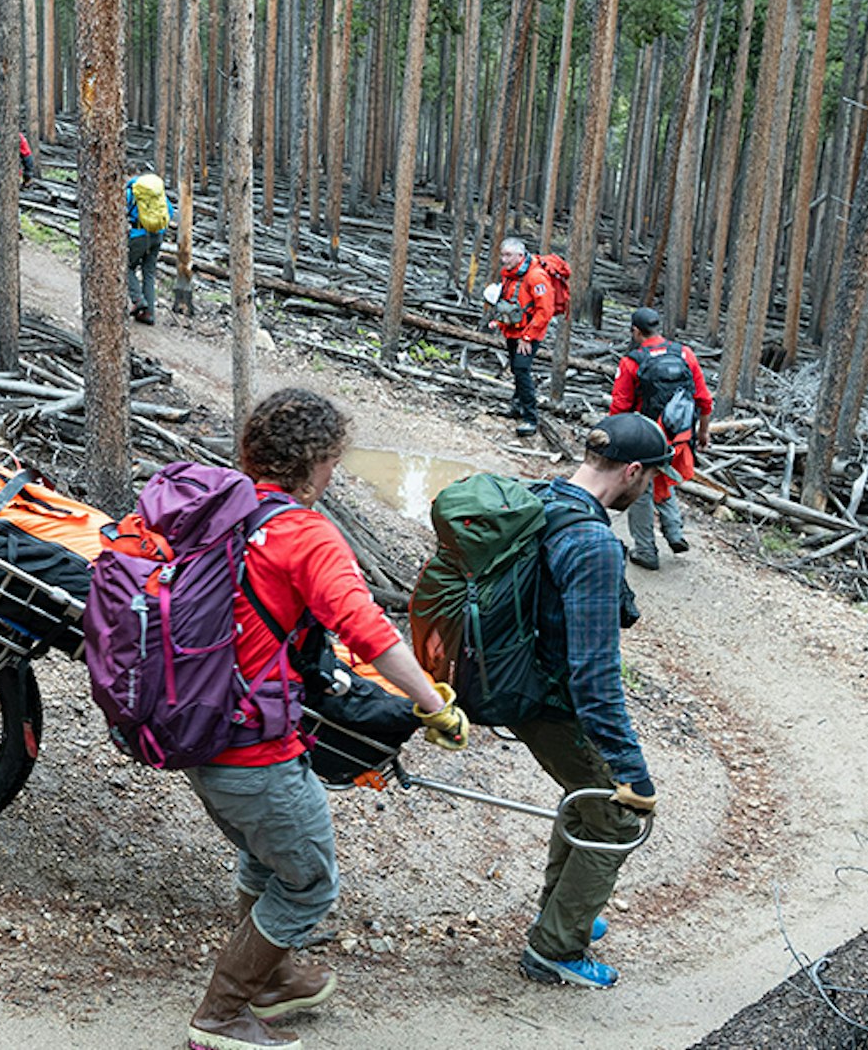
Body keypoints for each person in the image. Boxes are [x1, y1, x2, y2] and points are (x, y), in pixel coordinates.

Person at [185, 388, 468, 1050]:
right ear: (315, 462)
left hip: (198, 732)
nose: (333, 474)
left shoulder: (221, 508)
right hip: (255, 748)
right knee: (309, 882)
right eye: (332, 461)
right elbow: (366, 630)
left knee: (265, 858)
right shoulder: (303, 532)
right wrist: (434, 704)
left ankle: (275, 978)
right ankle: (221, 1014)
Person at [511, 412, 664, 990]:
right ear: (630, 472)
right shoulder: (592, 543)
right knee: (621, 817)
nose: (650, 487)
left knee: (587, 796)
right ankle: (556, 947)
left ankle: (562, 912)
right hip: (552, 702)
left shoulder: (541, 498)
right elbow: (596, 679)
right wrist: (633, 770)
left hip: (522, 684)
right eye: (650, 477)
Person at [609, 307, 712, 570]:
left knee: (640, 490)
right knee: (665, 478)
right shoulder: (684, 353)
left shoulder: (632, 362)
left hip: (649, 436)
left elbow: (620, 408)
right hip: (681, 435)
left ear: (635, 331)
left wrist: (614, 440)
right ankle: (675, 532)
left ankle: (645, 550)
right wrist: (702, 431)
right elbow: (704, 399)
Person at [492, 236, 555, 438]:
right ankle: (517, 406)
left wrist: (528, 337)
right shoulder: (510, 274)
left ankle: (530, 418)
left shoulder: (536, 277)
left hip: (528, 335)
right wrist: (500, 322)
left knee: (521, 370)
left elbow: (545, 311)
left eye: (508, 255)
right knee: (516, 370)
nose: (504, 259)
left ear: (520, 255)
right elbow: (512, 302)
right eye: (502, 255)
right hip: (513, 331)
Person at [125, 170, 174, 324]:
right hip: (157, 235)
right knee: (149, 273)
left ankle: (138, 299)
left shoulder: (132, 191)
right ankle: (149, 314)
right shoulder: (156, 192)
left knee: (126, 267)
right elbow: (170, 212)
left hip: (138, 236)